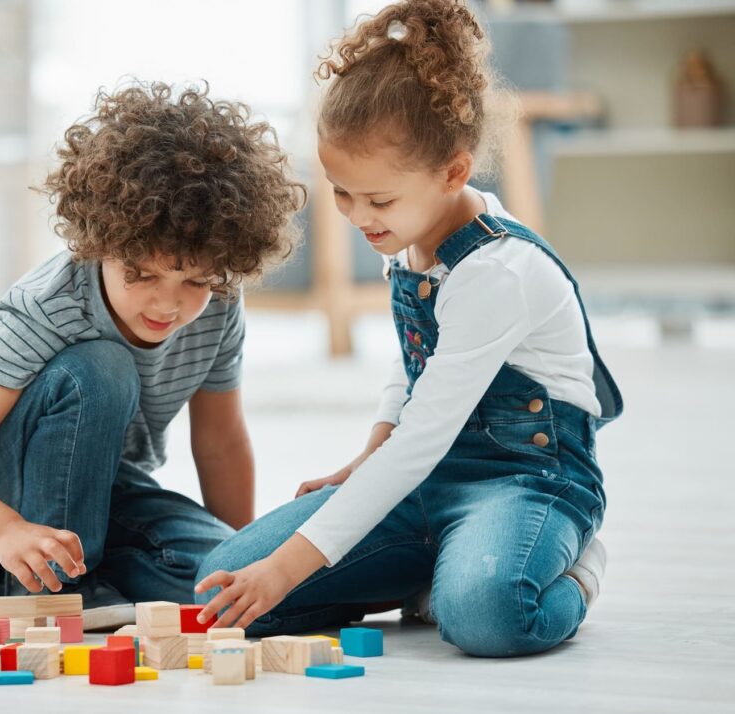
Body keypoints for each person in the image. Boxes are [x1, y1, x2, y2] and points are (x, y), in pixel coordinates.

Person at [193, 0, 622, 657]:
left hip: (527, 482)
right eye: (342, 192)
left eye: (379, 200)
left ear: (454, 171)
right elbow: (415, 370)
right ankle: (435, 564)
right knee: (222, 592)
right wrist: (365, 459)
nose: (358, 216)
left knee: (486, 616)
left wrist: (287, 569)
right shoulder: (410, 238)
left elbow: (422, 438)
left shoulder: (497, 276)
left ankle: (572, 569)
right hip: (426, 482)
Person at [0, 81, 305, 629]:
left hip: (105, 488)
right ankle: (47, 585)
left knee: (222, 588)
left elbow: (221, 440)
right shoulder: (47, 306)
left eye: (195, 280)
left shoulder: (219, 304)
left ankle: (1, 586)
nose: (168, 303)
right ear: (100, 241)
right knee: (99, 370)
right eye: (143, 274)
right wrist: (4, 531)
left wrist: (239, 555)